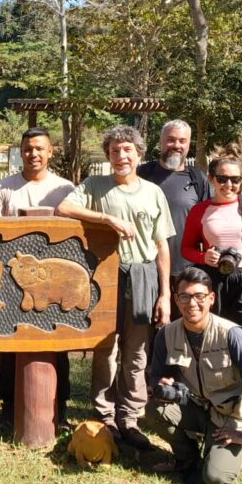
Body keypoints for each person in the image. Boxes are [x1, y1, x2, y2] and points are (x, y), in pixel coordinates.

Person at [56, 126, 173, 450]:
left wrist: (164, 294)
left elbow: (162, 246)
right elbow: (63, 209)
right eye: (115, 151)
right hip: (105, 276)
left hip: (142, 275)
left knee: (136, 350)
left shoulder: (152, 192)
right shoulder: (95, 186)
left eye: (127, 150)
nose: (121, 156)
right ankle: (105, 414)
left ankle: (130, 417)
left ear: (138, 154)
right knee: (106, 347)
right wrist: (105, 219)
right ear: (108, 155)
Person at [147, 268, 242, 484]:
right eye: (185, 296)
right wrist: (160, 384)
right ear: (177, 299)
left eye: (199, 296)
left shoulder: (232, 334)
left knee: (215, 479)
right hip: (195, 406)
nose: (192, 303)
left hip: (229, 416)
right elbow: (157, 376)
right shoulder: (166, 334)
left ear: (211, 299)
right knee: (153, 410)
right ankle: (187, 458)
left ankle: (230, 453)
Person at [0, 127, 76, 429]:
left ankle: (59, 409)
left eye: (40, 148)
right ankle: (8, 408)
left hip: (52, 282)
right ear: (20, 152)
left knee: (58, 344)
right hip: (14, 282)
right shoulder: (5, 187)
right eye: (28, 148)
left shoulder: (65, 189)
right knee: (8, 344)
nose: (33, 154)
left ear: (51, 151)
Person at [181, 151, 242, 367]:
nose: (229, 185)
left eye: (235, 179)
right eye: (222, 179)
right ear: (212, 179)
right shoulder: (200, 211)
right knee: (215, 344)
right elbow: (186, 249)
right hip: (213, 280)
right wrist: (203, 256)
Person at [138, 120, 210, 287]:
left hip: (186, 271)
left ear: (188, 145)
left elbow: (210, 222)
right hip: (146, 269)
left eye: (182, 141)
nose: (176, 145)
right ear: (161, 142)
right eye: (171, 139)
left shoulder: (198, 179)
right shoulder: (142, 175)